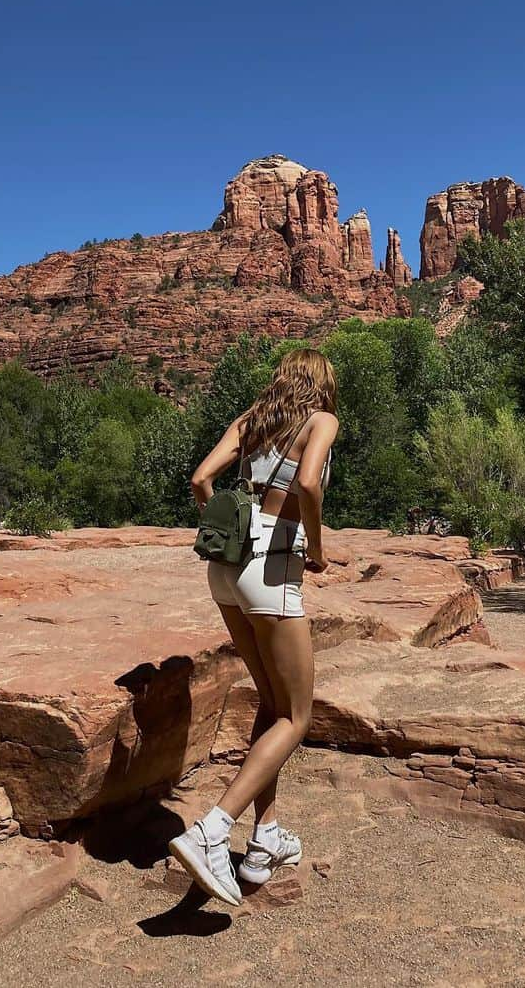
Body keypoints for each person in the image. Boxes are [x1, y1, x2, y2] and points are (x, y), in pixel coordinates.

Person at [168, 347, 339, 906]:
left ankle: (265, 839)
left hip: (225, 568)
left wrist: (235, 525)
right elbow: (309, 487)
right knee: (297, 715)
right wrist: (316, 548)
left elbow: (200, 481)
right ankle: (212, 830)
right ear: (320, 384)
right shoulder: (321, 421)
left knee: (270, 702)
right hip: (273, 565)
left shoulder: (250, 421)